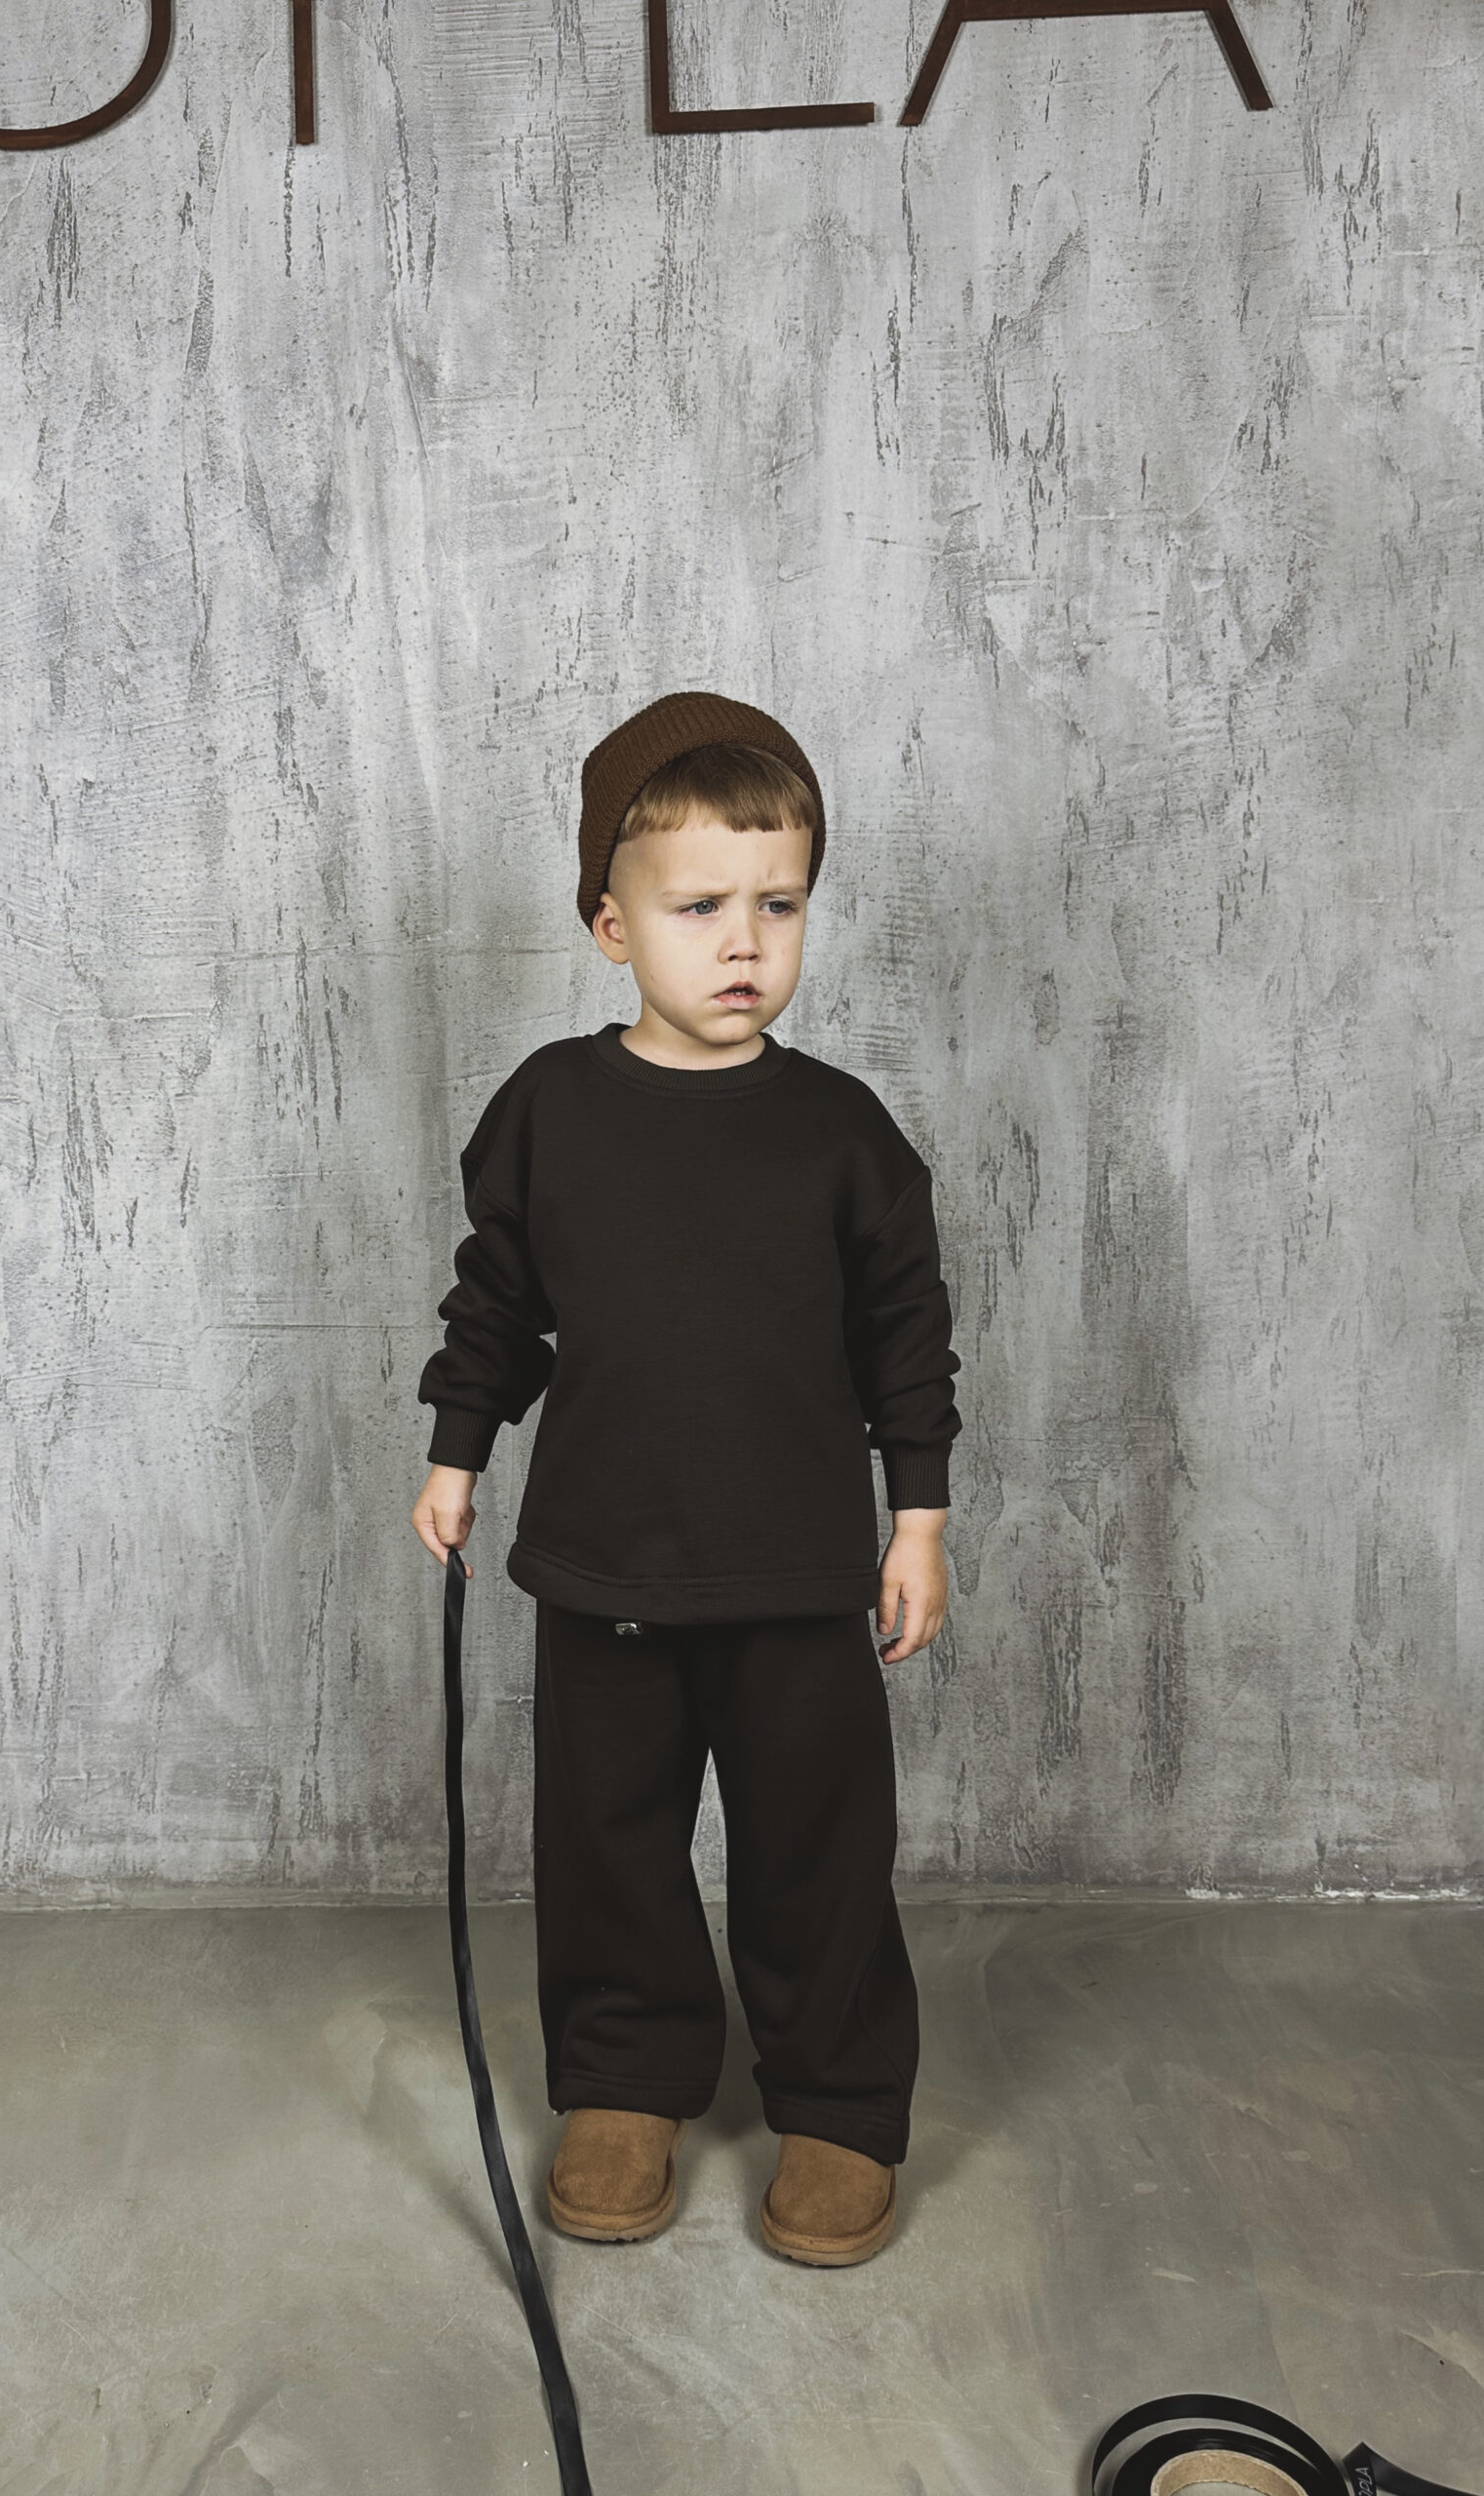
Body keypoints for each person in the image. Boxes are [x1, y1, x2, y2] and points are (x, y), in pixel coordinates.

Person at [410, 689, 962, 2268]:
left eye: (778, 905)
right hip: (606, 1568)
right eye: (701, 907)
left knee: (818, 1847)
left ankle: (839, 2103)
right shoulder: (550, 1111)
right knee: (609, 1840)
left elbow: (906, 1341)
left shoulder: (844, 1136)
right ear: (611, 926)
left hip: (797, 1576)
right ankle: (624, 2078)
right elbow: (496, 1308)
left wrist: (917, 1521)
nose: (744, 944)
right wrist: (456, 1453)